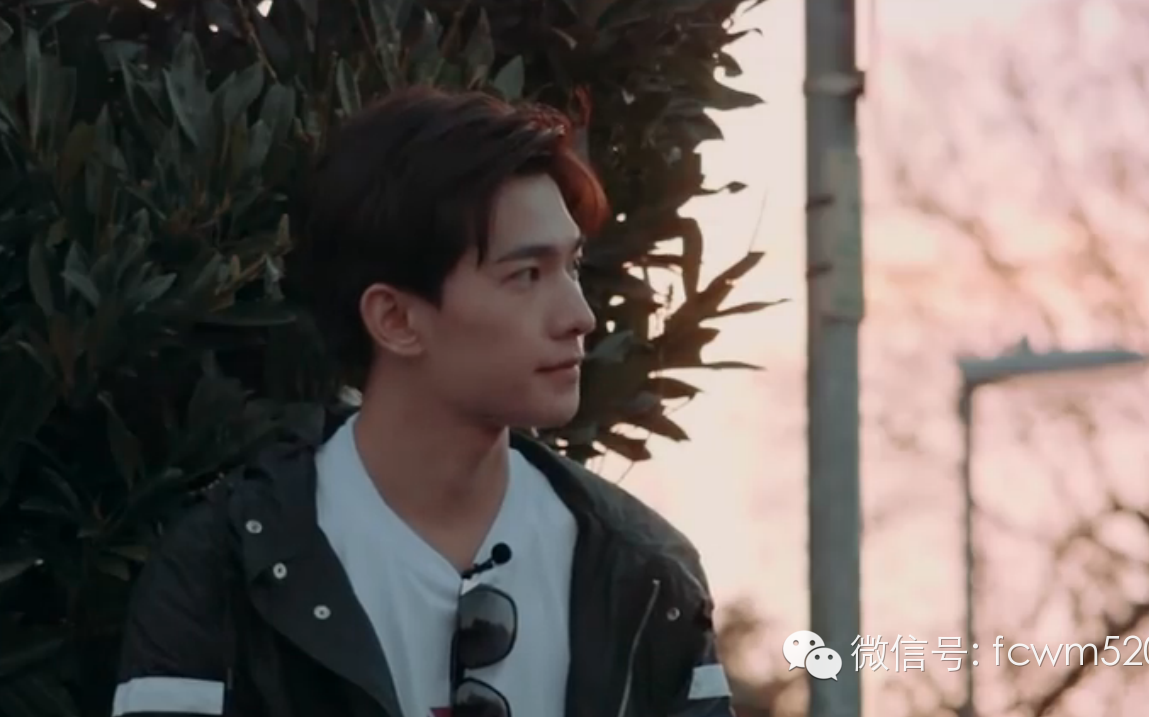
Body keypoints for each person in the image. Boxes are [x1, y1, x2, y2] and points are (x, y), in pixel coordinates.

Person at [111, 87, 735, 717]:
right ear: (396, 319)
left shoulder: (644, 575)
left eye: (571, 266)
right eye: (526, 275)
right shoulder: (222, 569)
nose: (580, 315)